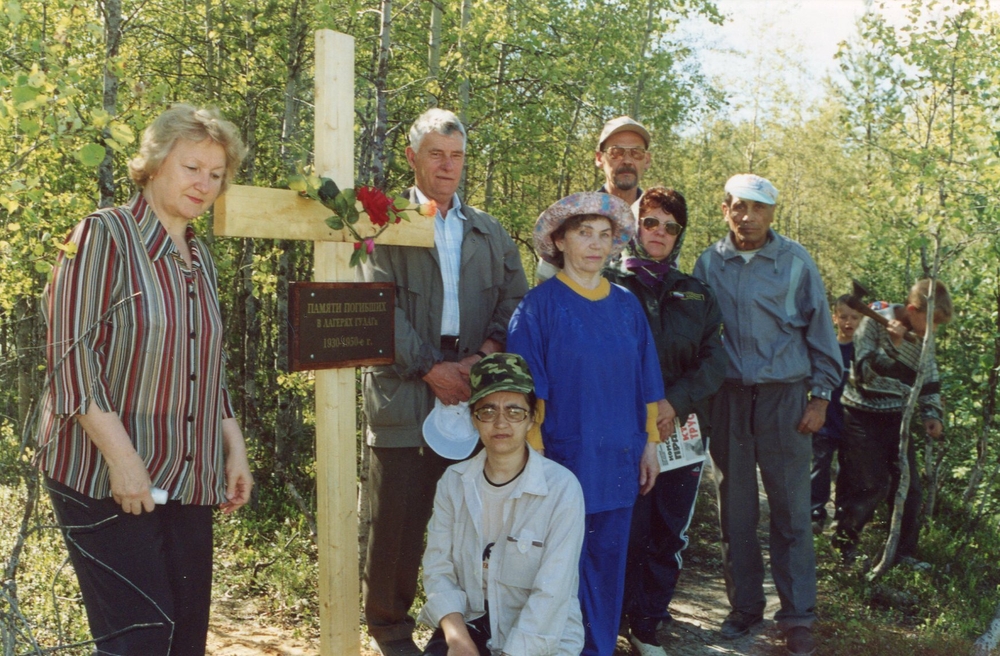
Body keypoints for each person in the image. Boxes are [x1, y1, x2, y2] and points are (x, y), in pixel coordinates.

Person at [34, 104, 253, 655]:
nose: (204, 184)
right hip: (104, 475)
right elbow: (71, 362)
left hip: (186, 473)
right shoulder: (101, 235)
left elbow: (207, 365)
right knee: (141, 641)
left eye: (216, 173)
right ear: (155, 164)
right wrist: (122, 459)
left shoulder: (198, 257)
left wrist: (234, 448)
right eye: (191, 167)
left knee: (185, 639)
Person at [358, 108, 529, 656]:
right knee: (398, 521)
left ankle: (454, 633)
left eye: (456, 156)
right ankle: (389, 630)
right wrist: (431, 368)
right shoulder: (384, 221)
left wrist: (483, 358)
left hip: (474, 387)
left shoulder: (489, 230)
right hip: (407, 384)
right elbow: (373, 305)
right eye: (436, 154)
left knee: (466, 521)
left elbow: (515, 299)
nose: (447, 165)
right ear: (412, 158)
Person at [507, 191, 667, 656]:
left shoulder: (626, 305)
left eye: (605, 235)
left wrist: (650, 443)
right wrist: (531, 459)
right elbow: (524, 395)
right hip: (562, 461)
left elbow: (647, 382)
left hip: (618, 460)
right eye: (584, 233)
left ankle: (598, 649)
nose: (596, 245)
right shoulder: (537, 307)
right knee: (556, 574)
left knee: (606, 570)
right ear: (559, 240)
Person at [692, 174, 842, 656]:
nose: (747, 217)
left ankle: (797, 615)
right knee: (735, 512)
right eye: (739, 207)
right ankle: (745, 608)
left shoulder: (795, 262)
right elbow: (698, 336)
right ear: (725, 209)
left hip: (786, 399)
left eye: (758, 208)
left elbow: (822, 333)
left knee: (792, 511)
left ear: (772, 214)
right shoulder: (708, 263)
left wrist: (820, 399)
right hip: (730, 399)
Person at [604, 187, 727, 656]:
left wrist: (674, 404)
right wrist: (644, 412)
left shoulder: (696, 293)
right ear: (635, 228)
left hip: (683, 429)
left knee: (668, 531)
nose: (659, 233)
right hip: (623, 428)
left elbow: (715, 361)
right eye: (650, 222)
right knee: (623, 526)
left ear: (680, 236)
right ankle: (609, 620)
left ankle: (648, 624)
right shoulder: (609, 284)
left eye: (670, 226)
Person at [418, 353, 586, 656]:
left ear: (533, 417)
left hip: (540, 635)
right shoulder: (453, 482)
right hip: (470, 625)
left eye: (514, 411)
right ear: (473, 417)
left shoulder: (562, 489)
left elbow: (553, 590)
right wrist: (456, 638)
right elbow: (437, 569)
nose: (500, 422)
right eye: (487, 410)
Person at [834, 279, 952, 565]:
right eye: (931, 322)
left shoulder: (924, 336)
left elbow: (928, 374)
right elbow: (862, 375)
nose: (933, 331)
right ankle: (843, 548)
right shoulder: (873, 320)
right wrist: (893, 347)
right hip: (861, 414)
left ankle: (902, 554)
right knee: (870, 484)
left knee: (909, 487)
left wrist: (931, 414)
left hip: (897, 417)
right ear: (912, 309)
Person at [536, 116, 652, 283]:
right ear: (599, 158)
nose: (627, 160)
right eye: (616, 152)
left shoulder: (659, 223)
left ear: (647, 160)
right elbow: (544, 289)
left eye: (636, 153)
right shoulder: (572, 217)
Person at [811, 295, 862, 530]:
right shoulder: (827, 347)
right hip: (825, 420)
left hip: (853, 424)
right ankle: (814, 514)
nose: (849, 322)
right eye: (843, 317)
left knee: (848, 472)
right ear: (834, 318)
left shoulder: (863, 351)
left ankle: (841, 521)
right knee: (819, 466)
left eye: (855, 318)